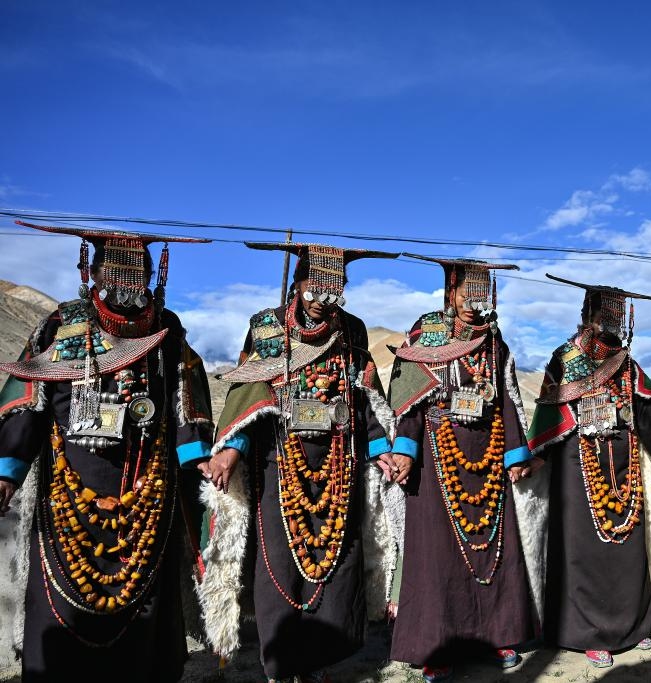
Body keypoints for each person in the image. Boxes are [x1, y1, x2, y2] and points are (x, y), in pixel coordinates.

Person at [0, 222, 213, 682]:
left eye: (138, 272)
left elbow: (186, 409)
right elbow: (28, 405)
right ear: (94, 271)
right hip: (67, 499)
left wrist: (202, 463)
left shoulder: (167, 334)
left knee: (140, 610)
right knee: (62, 601)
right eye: (118, 271)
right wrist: (7, 470)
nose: (129, 284)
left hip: (145, 500)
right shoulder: (59, 327)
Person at [197, 242, 402, 683]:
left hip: (338, 462)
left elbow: (363, 397)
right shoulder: (266, 326)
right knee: (280, 568)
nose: (326, 299)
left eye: (336, 289)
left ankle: (319, 660)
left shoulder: (352, 330)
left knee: (335, 562)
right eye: (317, 288)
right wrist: (233, 449)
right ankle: (281, 664)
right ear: (298, 283)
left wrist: (380, 444)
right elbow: (249, 395)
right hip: (279, 464)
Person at [386, 255, 540, 682]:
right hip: (439, 454)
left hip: (488, 455)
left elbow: (506, 398)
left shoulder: (494, 339)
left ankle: (498, 634)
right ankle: (437, 645)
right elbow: (411, 397)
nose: (474, 302)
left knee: (495, 548)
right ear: (450, 292)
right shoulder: (427, 331)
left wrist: (515, 454)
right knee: (436, 556)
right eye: (466, 292)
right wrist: (405, 449)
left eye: (482, 293)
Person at [526, 274, 651, 668]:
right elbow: (549, 410)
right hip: (578, 470)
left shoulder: (627, 364)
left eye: (617, 316)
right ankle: (585, 634)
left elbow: (647, 413)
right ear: (588, 314)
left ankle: (633, 627)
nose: (611, 323)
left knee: (630, 552)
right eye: (605, 314)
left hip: (625, 464)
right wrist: (536, 455)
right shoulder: (564, 358)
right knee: (583, 554)